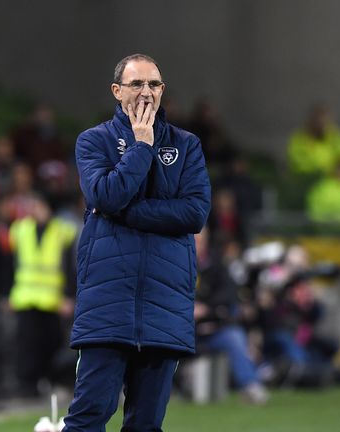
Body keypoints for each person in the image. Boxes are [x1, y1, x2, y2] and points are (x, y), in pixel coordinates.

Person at [63, 54, 211, 432]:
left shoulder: (187, 145)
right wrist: (142, 146)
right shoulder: (93, 141)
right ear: (117, 91)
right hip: (107, 305)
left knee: (146, 424)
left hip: (165, 306)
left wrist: (126, 213)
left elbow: (194, 214)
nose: (146, 92)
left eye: (154, 84)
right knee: (89, 417)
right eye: (136, 84)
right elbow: (106, 196)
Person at [7, 193, 77, 397]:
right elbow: (10, 264)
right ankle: (28, 386)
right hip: (25, 296)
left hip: (52, 299)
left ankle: (50, 381)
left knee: (52, 343)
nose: (36, 210)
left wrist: (68, 295)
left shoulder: (63, 232)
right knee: (27, 345)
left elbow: (69, 268)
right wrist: (9, 293)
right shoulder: (20, 229)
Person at [193, 228, 268, 404]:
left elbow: (228, 296)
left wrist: (206, 309)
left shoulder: (217, 265)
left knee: (234, 336)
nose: (197, 244)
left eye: (200, 240)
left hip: (211, 328)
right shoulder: (173, 263)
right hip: (181, 329)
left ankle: (250, 385)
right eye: (194, 239)